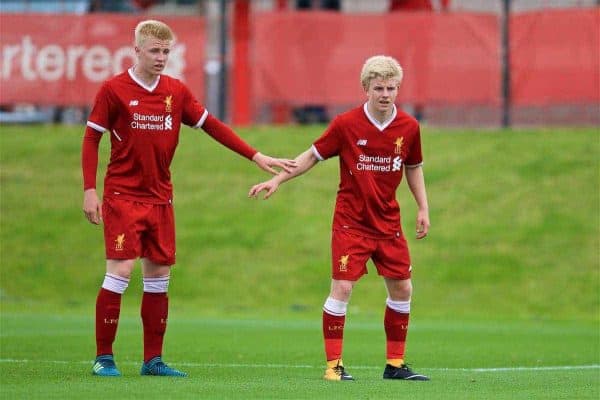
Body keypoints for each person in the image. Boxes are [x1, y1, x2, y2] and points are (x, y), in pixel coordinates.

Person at [82, 19, 296, 377]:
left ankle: (153, 360)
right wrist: (89, 189)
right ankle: (104, 357)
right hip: (123, 196)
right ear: (137, 51)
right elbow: (92, 139)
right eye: (154, 51)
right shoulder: (113, 90)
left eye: (167, 51)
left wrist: (256, 155)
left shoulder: (175, 92)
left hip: (160, 198)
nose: (161, 57)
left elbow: (212, 125)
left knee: (160, 274)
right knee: (120, 270)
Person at [249, 55, 430, 381]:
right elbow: (312, 156)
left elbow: (413, 167)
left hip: (388, 223)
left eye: (391, 88)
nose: (385, 94)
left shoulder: (409, 127)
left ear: (398, 89)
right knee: (343, 288)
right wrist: (277, 178)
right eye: (378, 88)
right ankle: (333, 367)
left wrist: (423, 208)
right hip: (352, 222)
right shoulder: (346, 125)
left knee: (403, 288)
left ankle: (396, 365)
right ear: (366, 88)